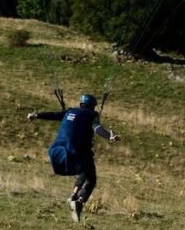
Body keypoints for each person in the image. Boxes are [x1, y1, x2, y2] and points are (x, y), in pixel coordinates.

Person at [27, 93, 120, 221]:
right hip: (79, 151)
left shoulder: (70, 112)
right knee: (91, 179)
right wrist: (109, 136)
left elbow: (54, 115)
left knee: (84, 170)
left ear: (81, 104)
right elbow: (97, 128)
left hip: (59, 150)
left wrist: (36, 115)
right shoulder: (91, 115)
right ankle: (79, 201)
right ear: (93, 107)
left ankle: (73, 195)